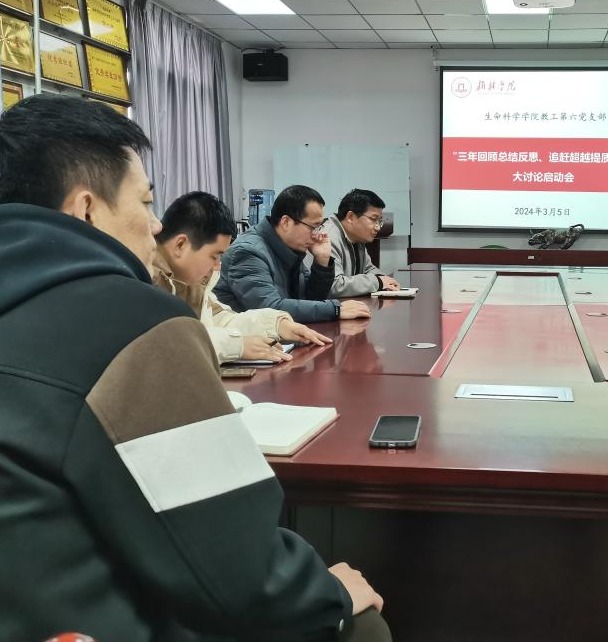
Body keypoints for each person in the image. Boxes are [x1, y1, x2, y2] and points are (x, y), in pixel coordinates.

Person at [0, 94, 388, 641]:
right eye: (145, 202)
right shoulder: (127, 319)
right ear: (85, 209)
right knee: (363, 629)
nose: (155, 223)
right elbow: (237, 566)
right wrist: (330, 595)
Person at [154, 191, 333, 363]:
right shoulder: (146, 280)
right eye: (214, 256)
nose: (217, 266)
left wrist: (276, 324)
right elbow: (168, 342)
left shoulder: (186, 278)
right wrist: (236, 345)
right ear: (180, 245)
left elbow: (220, 318)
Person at [214, 185, 371, 323]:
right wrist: (334, 309)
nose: (318, 234)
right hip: (245, 342)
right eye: (314, 227)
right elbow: (270, 309)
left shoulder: (287, 246)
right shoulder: (248, 252)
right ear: (286, 222)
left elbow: (310, 298)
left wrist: (322, 261)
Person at [321, 188, 401, 297]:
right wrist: (378, 282)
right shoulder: (327, 237)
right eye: (373, 219)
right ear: (350, 217)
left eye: (380, 221)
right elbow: (334, 285)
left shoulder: (357, 237)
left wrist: (385, 280)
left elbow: (368, 269)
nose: (378, 227)